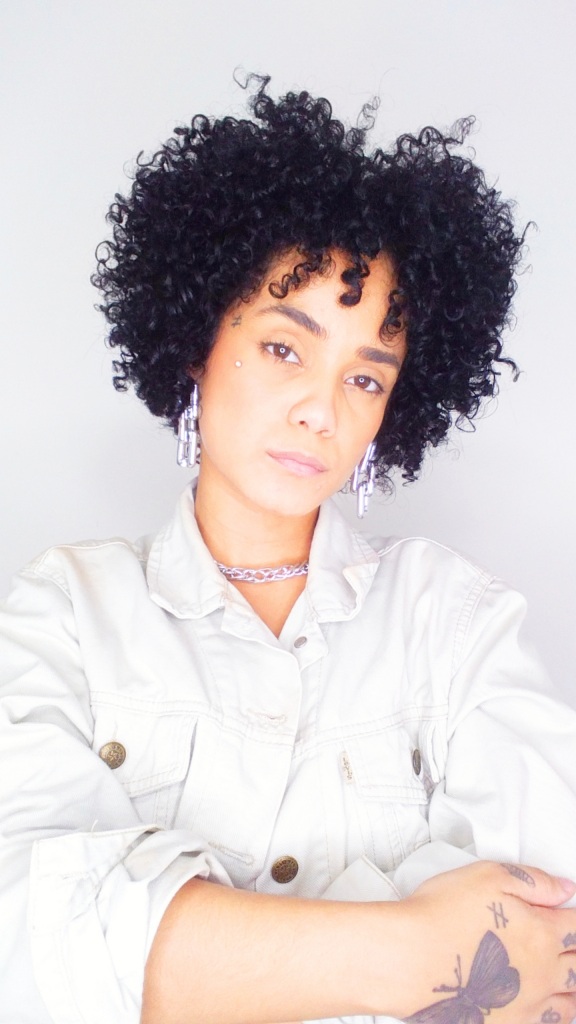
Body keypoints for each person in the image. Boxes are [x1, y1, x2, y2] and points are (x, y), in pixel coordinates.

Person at [1, 74, 576, 1024]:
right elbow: (24, 948)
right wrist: (411, 949)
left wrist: (186, 956)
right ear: (197, 342)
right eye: (283, 348)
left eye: (366, 377)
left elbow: (547, 949)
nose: (321, 409)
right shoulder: (65, 610)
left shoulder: (454, 621)